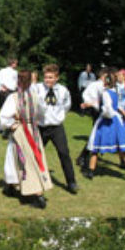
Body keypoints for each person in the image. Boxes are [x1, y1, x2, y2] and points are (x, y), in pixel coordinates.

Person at [0, 69, 53, 209]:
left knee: (24, 161)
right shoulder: (36, 96)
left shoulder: (14, 98)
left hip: (21, 131)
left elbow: (4, 117)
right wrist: (33, 120)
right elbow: (43, 113)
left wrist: (11, 125)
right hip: (33, 130)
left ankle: (36, 194)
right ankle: (12, 186)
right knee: (28, 158)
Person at [83, 70, 125, 183]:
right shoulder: (114, 92)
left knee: (95, 147)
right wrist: (90, 104)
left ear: (106, 83)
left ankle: (90, 172)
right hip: (117, 121)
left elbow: (107, 108)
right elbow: (115, 105)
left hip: (107, 121)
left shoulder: (105, 93)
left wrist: (106, 114)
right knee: (122, 150)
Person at [35, 63, 78, 194]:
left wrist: (59, 117)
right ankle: (31, 180)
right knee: (35, 154)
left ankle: (71, 182)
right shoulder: (37, 88)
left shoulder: (63, 91)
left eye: (51, 77)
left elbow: (66, 106)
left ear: (57, 78)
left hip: (56, 127)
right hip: (41, 127)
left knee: (64, 153)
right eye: (46, 77)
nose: (48, 80)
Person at [76, 67, 107, 167]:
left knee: (99, 137)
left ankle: (84, 156)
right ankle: (83, 156)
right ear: (103, 75)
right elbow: (87, 96)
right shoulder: (95, 85)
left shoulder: (106, 85)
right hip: (98, 112)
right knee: (97, 137)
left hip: (105, 112)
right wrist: (93, 104)